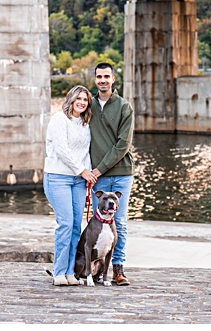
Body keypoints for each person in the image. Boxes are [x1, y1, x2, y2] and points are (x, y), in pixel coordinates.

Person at [85, 62, 133, 285]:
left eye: (107, 76)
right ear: (95, 79)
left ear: (114, 79)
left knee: (119, 222)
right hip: (98, 176)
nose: (103, 80)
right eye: (99, 77)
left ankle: (118, 269)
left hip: (121, 173)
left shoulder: (124, 107)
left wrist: (98, 169)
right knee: (97, 221)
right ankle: (90, 268)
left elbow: (123, 145)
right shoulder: (88, 105)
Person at [44, 85, 94, 286]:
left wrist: (88, 174)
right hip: (58, 177)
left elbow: (85, 153)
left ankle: (70, 272)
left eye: (85, 99)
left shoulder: (85, 122)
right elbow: (62, 150)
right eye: (78, 98)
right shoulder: (59, 119)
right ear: (71, 99)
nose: (82, 102)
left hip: (78, 181)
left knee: (75, 226)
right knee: (65, 224)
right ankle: (58, 272)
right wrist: (82, 170)